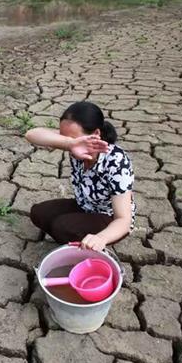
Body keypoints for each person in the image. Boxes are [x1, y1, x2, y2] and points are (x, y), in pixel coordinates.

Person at [25, 101, 135, 251]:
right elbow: (31, 134)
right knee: (39, 213)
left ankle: (87, 247)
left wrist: (101, 238)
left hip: (108, 217)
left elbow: (123, 220)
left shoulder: (116, 161)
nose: (72, 146)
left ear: (96, 134)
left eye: (75, 139)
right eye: (65, 137)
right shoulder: (74, 144)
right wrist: (69, 143)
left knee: (62, 227)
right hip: (85, 205)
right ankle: (75, 238)